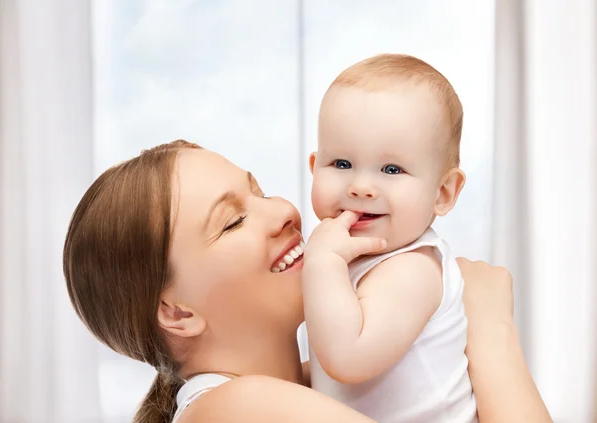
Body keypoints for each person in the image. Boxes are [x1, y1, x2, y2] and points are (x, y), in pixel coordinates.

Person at [63, 140, 551, 423]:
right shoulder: (234, 409)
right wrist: (489, 328)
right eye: (232, 222)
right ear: (177, 313)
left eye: (259, 193)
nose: (283, 211)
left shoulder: (323, 385)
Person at [304, 53, 472, 421]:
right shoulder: (351, 255)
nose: (362, 186)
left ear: (443, 192)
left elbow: (347, 359)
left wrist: (322, 263)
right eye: (342, 164)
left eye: (392, 169)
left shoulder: (413, 269)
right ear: (315, 167)